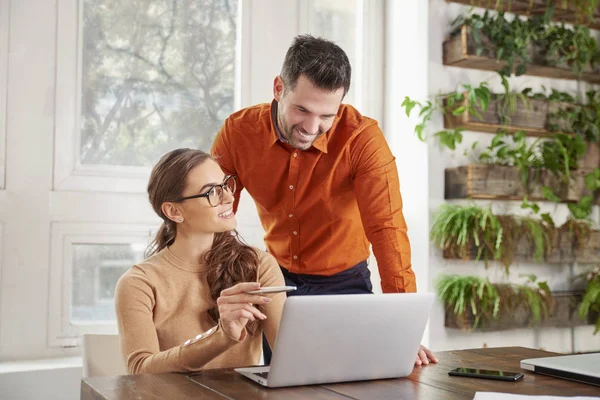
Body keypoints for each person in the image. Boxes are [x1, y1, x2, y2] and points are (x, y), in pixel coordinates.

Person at [211, 35, 438, 366]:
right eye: (302, 109)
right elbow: (213, 213)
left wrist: (404, 326)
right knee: (286, 380)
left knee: (356, 381)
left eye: (326, 116)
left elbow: (387, 229)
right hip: (276, 281)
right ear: (278, 89)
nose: (310, 127)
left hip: (346, 283)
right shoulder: (238, 132)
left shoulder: (363, 140)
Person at [115, 149, 286, 374]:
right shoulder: (139, 282)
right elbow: (140, 371)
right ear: (174, 211)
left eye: (225, 185)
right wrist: (221, 337)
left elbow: (290, 357)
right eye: (212, 192)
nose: (229, 197)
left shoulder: (259, 265)